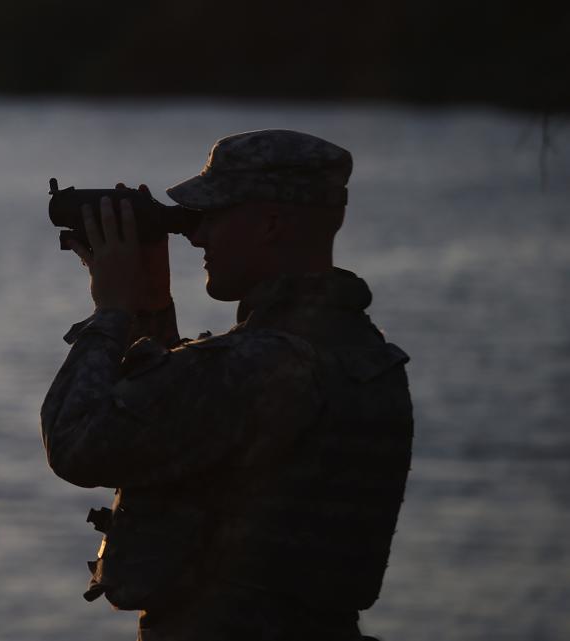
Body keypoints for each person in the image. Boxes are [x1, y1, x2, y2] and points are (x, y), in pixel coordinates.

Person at [40, 129, 413, 641]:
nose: (196, 234)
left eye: (213, 213)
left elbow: (76, 441)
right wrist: (150, 310)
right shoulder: (363, 354)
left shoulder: (264, 362)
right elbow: (176, 434)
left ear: (271, 223)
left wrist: (112, 312)